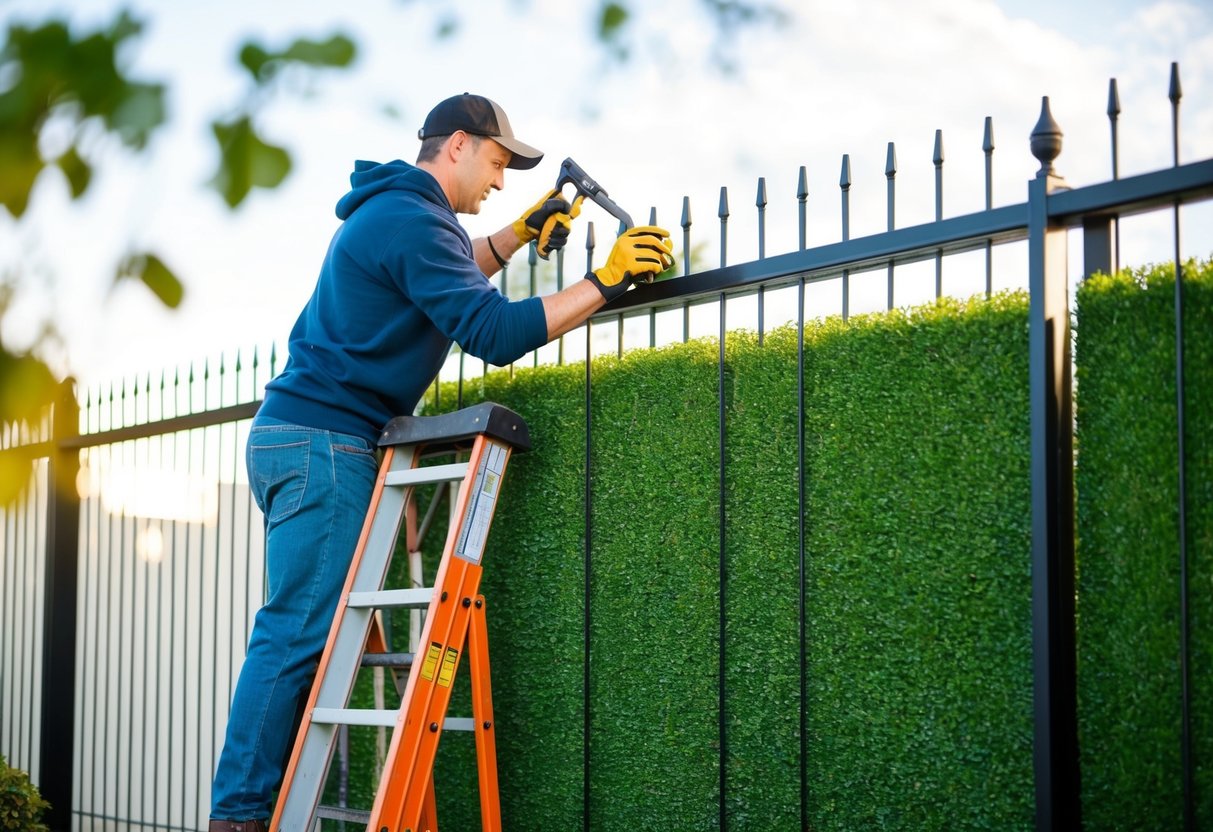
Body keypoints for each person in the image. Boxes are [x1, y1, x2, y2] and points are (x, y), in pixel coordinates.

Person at [208, 92, 674, 830]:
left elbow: (445, 279)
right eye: (496, 163)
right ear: (457, 144)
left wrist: (516, 236)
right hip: (324, 443)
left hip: (304, 436)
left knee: (301, 631)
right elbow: (490, 329)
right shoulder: (412, 221)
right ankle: (236, 818)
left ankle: (248, 807)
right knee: (296, 632)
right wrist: (605, 281)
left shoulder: (399, 215)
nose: (499, 182)